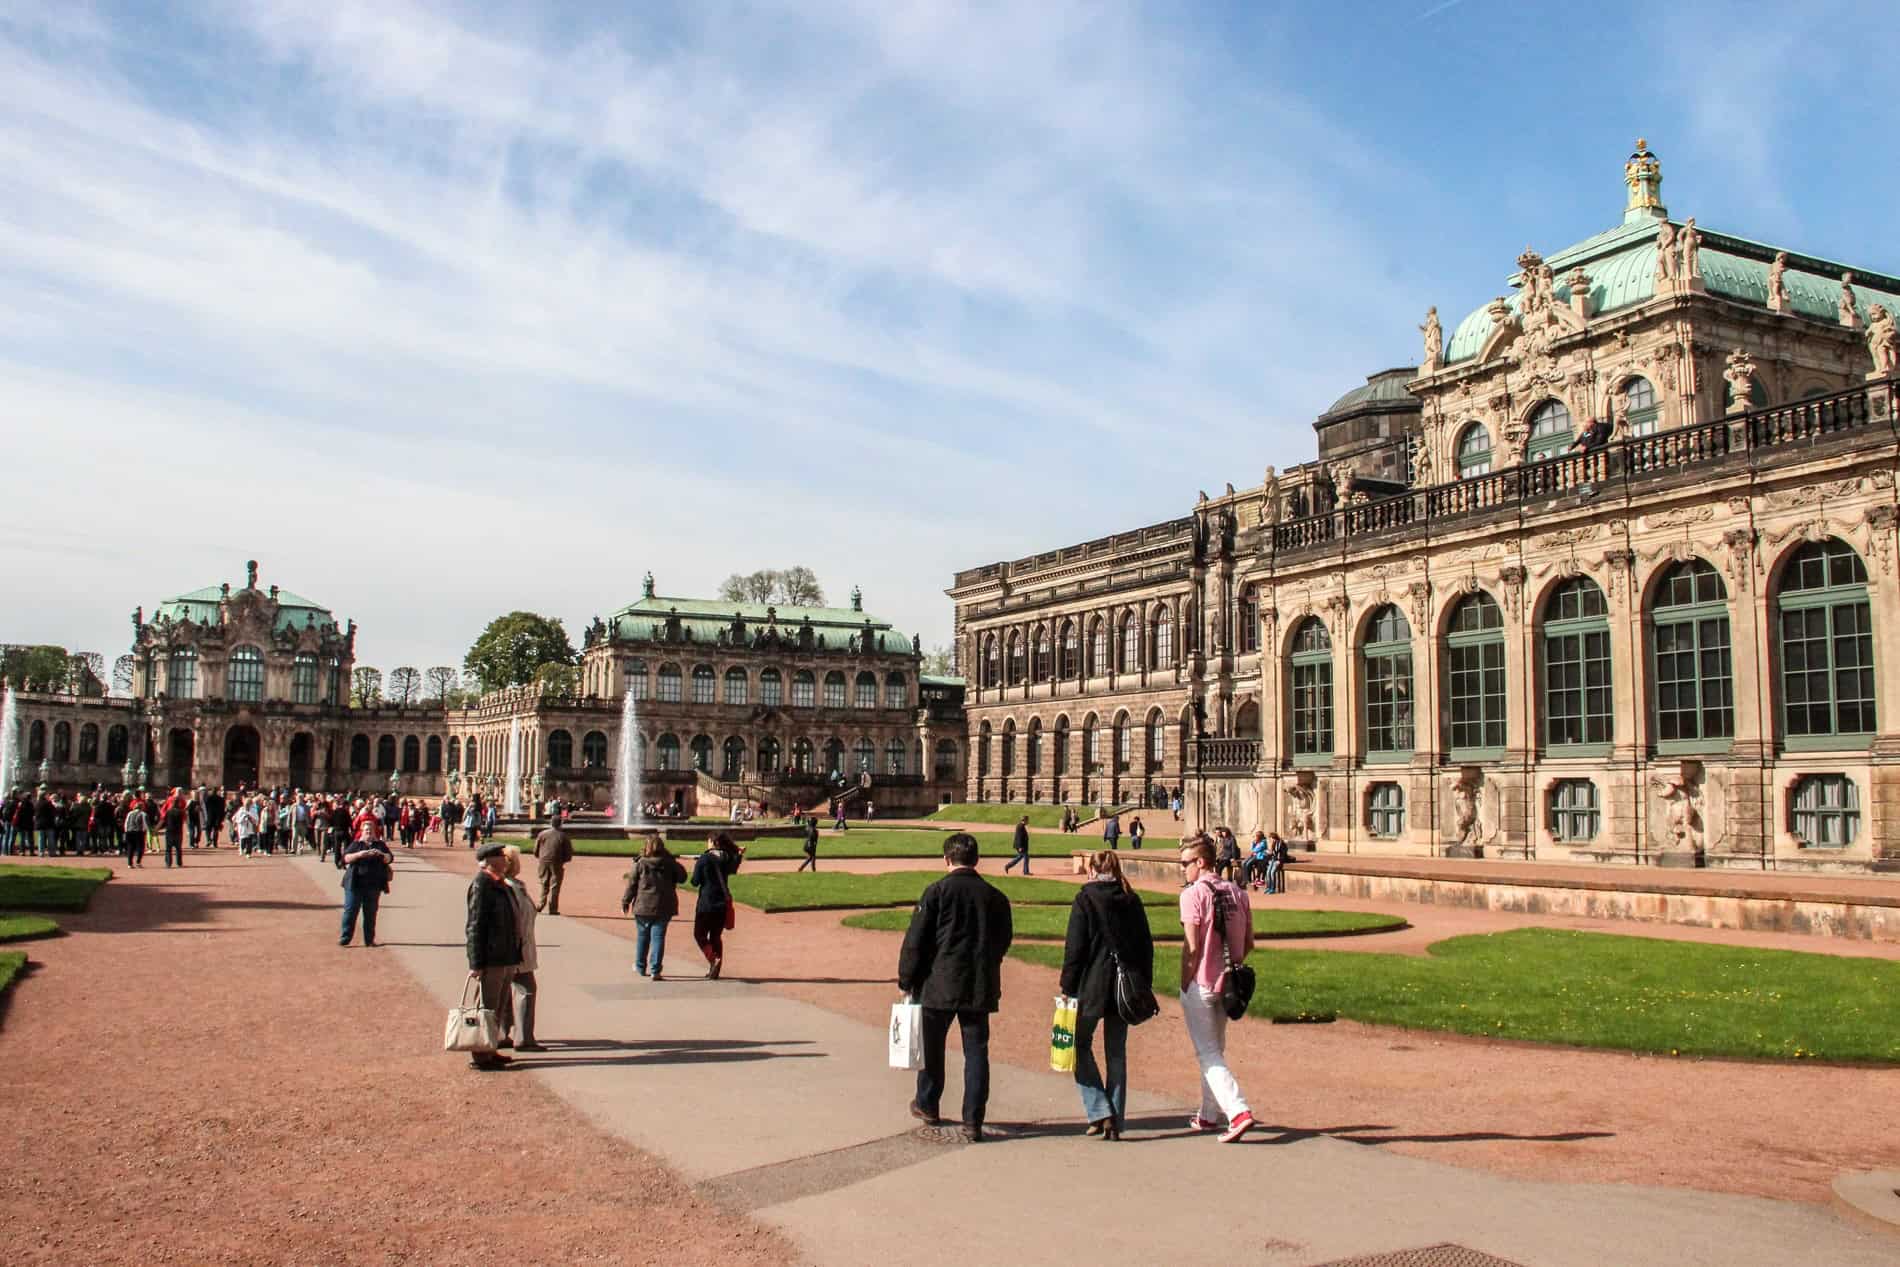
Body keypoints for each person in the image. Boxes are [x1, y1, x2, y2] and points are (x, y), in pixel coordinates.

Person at [898, 833, 1013, 1142]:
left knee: (933, 1049)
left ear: (947, 859)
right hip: (979, 984)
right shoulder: (995, 897)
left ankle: (928, 1104)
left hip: (939, 983)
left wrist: (906, 980)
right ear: (975, 860)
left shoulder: (936, 892)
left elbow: (916, 941)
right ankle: (973, 1120)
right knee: (976, 1053)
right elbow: (1004, 941)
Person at [1060, 850, 1153, 1140]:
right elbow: (1145, 946)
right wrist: (1143, 984)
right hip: (1125, 987)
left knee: (1077, 1045)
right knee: (1116, 1053)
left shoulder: (1085, 898)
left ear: (1092, 870)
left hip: (1092, 985)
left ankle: (1100, 1110)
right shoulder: (1130, 897)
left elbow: (1075, 949)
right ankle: (1115, 1118)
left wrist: (1067, 987)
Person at [1177, 836, 1255, 1142]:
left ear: (1201, 862)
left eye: (1185, 863)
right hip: (1228, 984)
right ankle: (1209, 1114)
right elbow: (1248, 943)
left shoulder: (1193, 894)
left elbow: (1192, 947)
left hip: (1202, 983)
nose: (1182, 869)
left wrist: (1186, 979)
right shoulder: (1238, 892)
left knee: (1207, 1051)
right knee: (1215, 1049)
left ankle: (1238, 1111)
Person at [465, 842, 522, 1071]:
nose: (504, 859)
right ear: (488, 861)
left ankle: (490, 1048)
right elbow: (475, 926)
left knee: (497, 1007)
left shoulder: (499, 884)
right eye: (499, 856)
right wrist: (475, 962)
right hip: (491, 957)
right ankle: (480, 1054)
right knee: (486, 1008)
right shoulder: (482, 884)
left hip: (505, 954)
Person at [621, 834, 686, 980]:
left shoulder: (641, 864)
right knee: (658, 937)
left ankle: (640, 966)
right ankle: (655, 969)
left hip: (643, 905)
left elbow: (632, 885)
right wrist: (672, 861)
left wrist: (625, 901)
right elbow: (682, 877)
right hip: (664, 905)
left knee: (643, 936)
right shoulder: (668, 863)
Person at [499, 846, 544, 1052]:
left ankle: (503, 1033)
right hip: (518, 948)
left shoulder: (514, 886)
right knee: (526, 989)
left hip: (517, 946)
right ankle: (523, 1038)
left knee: (507, 990)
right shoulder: (511, 887)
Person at [689, 833, 745, 979]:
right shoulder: (726, 858)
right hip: (721, 903)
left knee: (699, 934)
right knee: (715, 936)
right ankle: (716, 969)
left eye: (708, 841)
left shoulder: (704, 858)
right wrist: (738, 855)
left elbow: (694, 881)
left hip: (706, 903)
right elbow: (733, 869)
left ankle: (713, 959)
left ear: (712, 842)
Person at [338, 820, 393, 947]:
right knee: (350, 911)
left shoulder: (380, 845)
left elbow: (390, 858)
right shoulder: (356, 844)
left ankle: (369, 940)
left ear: (374, 832)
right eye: (366, 830)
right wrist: (359, 854)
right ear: (362, 832)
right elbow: (345, 858)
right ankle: (345, 937)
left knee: (370, 913)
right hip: (354, 883)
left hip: (373, 884)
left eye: (370, 830)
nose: (368, 832)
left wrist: (382, 854)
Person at [533, 814, 574, 915]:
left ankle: (540, 905)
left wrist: (541, 857)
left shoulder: (542, 834)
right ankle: (553, 908)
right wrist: (563, 861)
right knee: (554, 886)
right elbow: (568, 854)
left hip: (543, 861)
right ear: (561, 824)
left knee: (543, 883)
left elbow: (535, 850)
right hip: (557, 862)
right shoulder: (563, 836)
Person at [159, 787, 187, 868]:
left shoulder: (181, 801)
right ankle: (178, 863)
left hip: (172, 825)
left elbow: (163, 811)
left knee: (170, 847)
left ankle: (169, 863)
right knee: (177, 847)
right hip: (175, 825)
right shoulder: (173, 800)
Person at [121, 797, 149, 868]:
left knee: (130, 848)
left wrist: (126, 830)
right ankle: (138, 862)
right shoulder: (143, 814)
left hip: (129, 831)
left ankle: (129, 864)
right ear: (141, 807)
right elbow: (145, 824)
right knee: (140, 848)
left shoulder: (130, 813)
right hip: (139, 832)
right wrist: (145, 830)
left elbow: (126, 822)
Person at [1264, 832, 1292, 896]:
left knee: (1272, 872)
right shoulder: (1273, 843)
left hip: (1279, 860)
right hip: (1273, 859)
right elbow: (1273, 853)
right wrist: (1268, 856)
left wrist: (1279, 861)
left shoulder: (1281, 843)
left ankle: (1273, 888)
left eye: (1271, 838)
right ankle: (1268, 887)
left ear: (1274, 838)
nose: (1270, 840)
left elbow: (1283, 853)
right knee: (1268, 872)